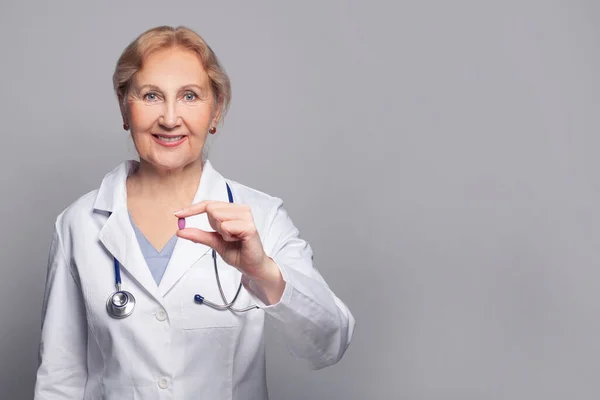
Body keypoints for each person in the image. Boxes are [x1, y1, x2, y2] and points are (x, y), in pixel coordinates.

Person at [33, 25, 355, 399]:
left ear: (215, 109)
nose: (170, 118)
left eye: (189, 96)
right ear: (125, 106)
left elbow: (330, 342)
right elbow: (60, 377)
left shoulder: (262, 216)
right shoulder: (79, 223)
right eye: (151, 95)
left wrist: (261, 271)